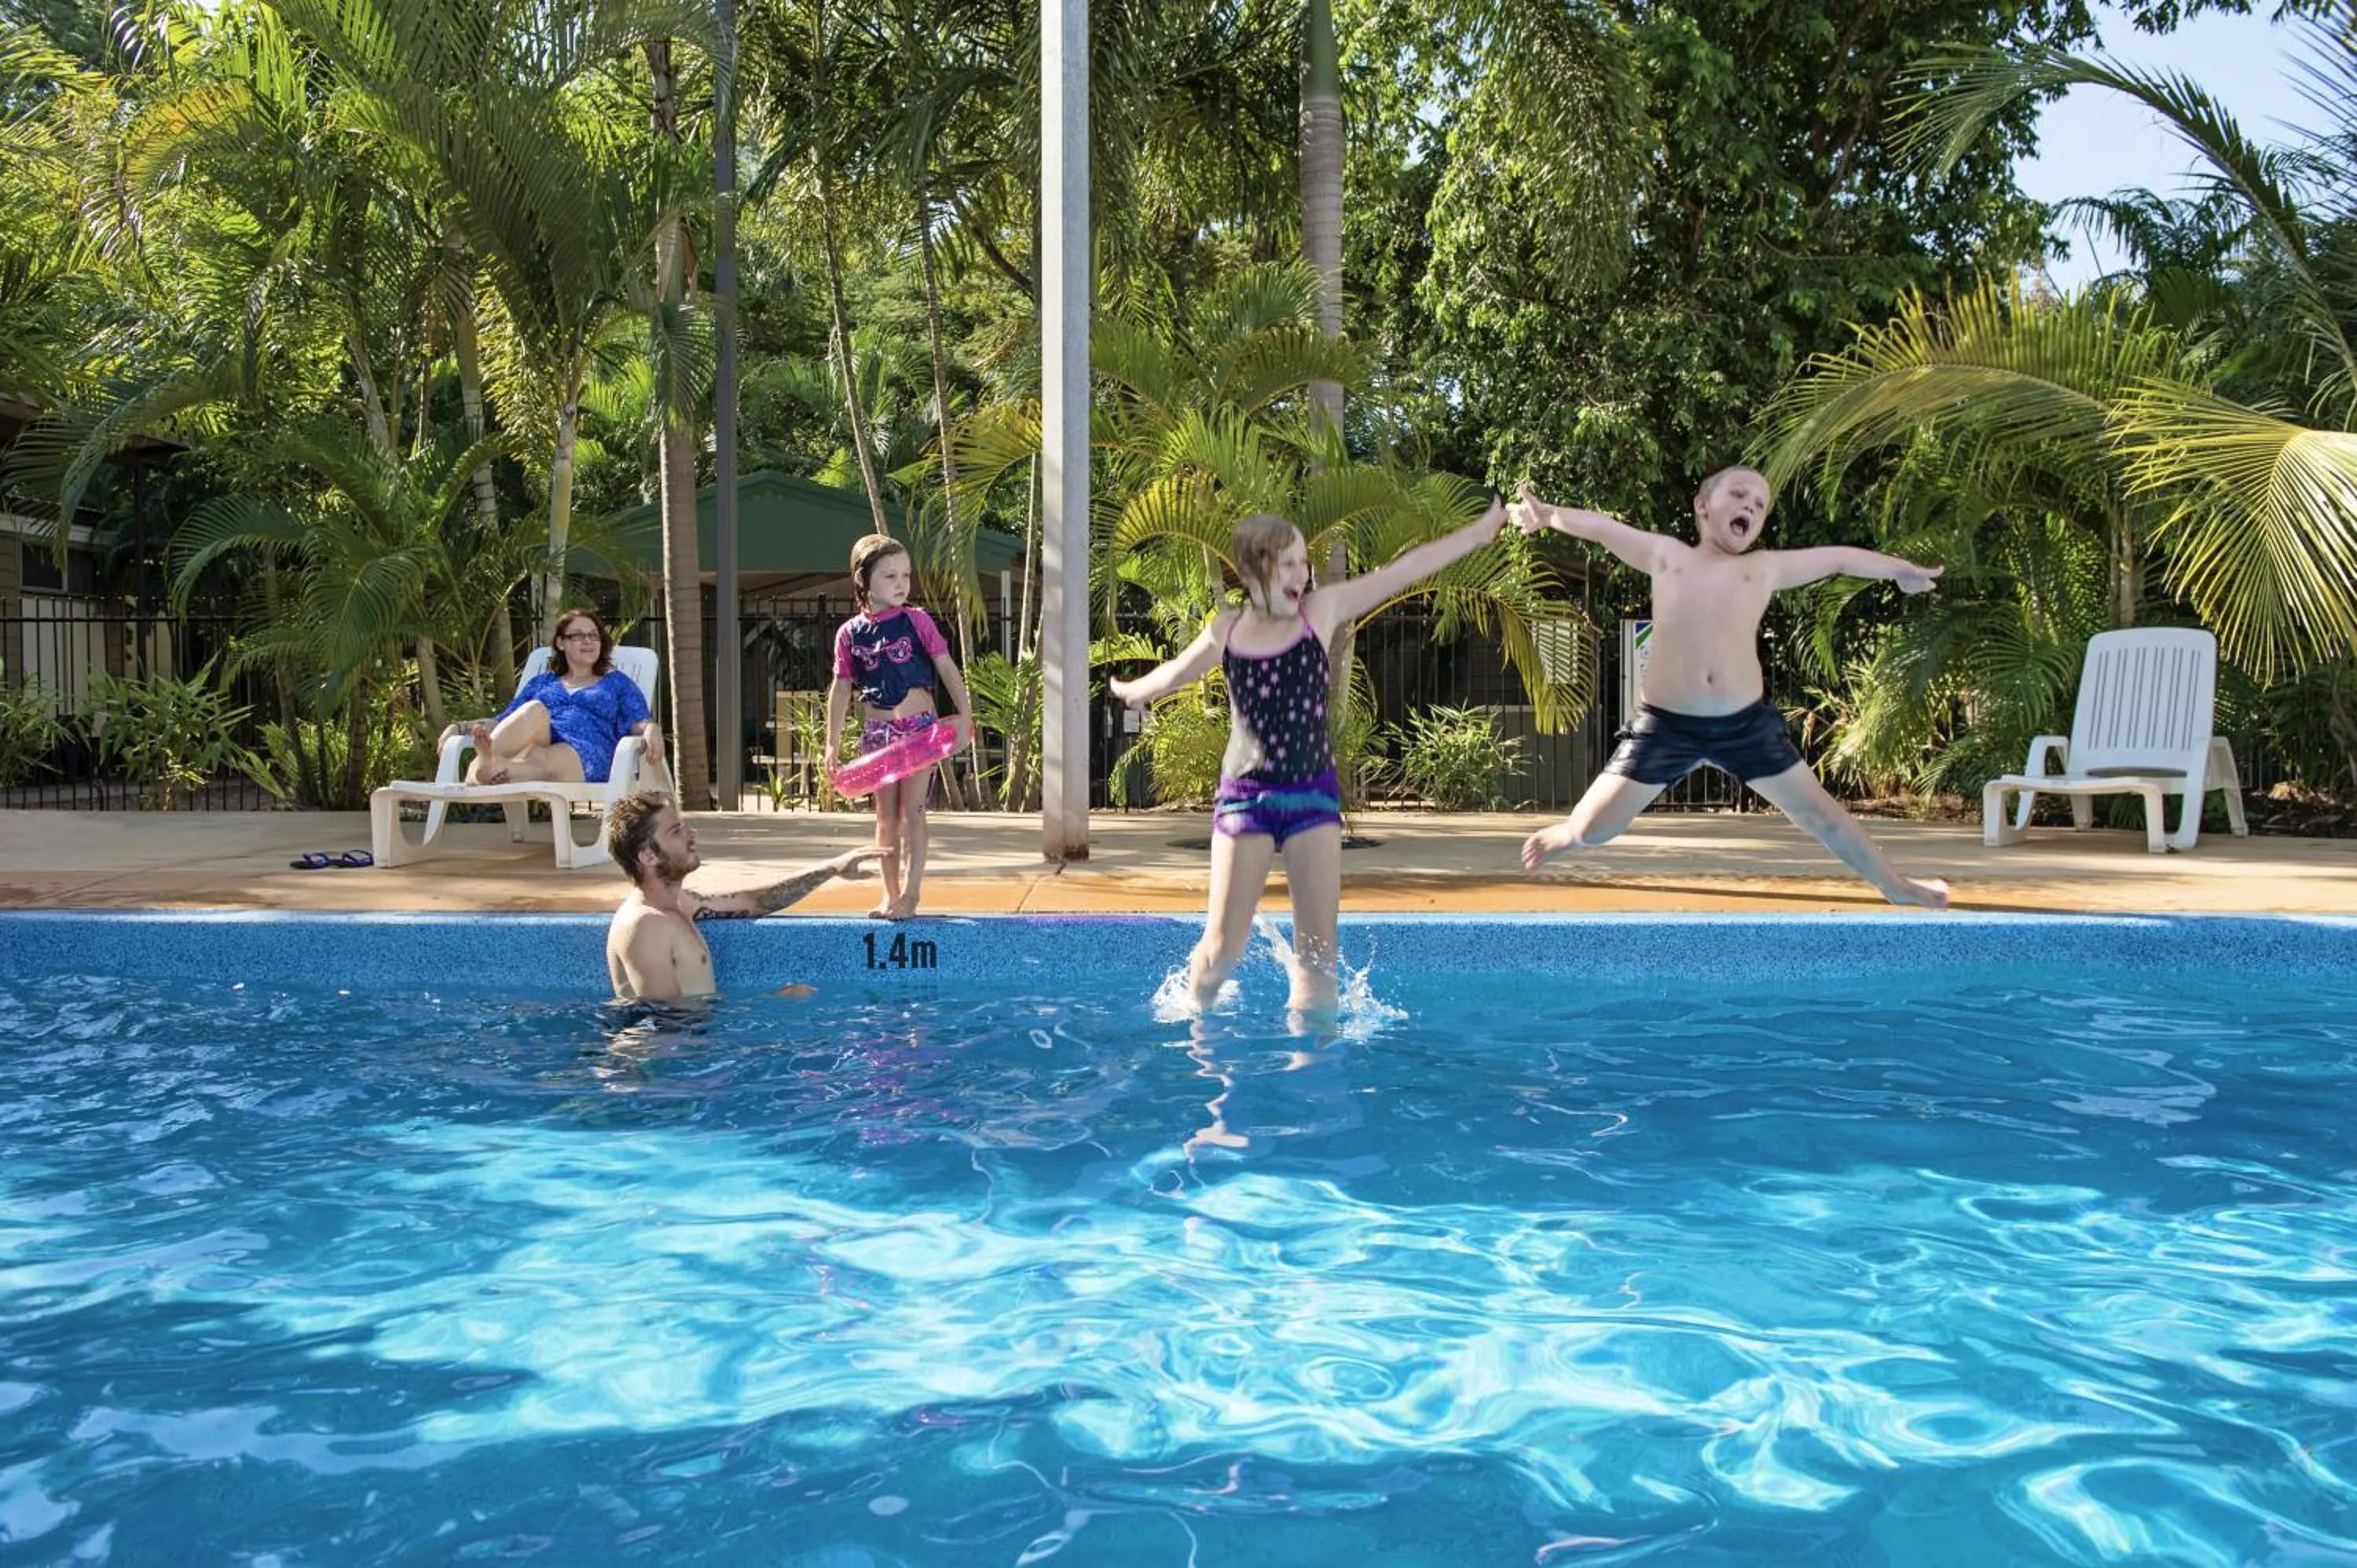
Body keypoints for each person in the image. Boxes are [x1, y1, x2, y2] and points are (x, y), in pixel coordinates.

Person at [1110, 499, 1507, 1017]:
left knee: (1318, 958)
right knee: (1220, 951)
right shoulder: (1226, 631)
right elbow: (1175, 673)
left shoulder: (1318, 614)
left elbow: (1401, 572)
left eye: (1304, 561)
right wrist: (1132, 689)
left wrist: (1476, 534)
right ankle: (1198, 1020)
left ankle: (1311, 1074)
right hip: (1244, 802)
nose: (1304, 572)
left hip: (1313, 797)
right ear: (1254, 571)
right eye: (1291, 563)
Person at [1512, 467, 1950, 907]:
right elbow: (1604, 529)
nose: (1750, 506)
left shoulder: (1762, 568)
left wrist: (1900, 569)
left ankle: (1896, 885)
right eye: (1739, 494)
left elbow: (1837, 558)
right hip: (1665, 728)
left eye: (1759, 505)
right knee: (1594, 829)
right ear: (1702, 506)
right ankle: (1567, 834)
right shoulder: (1668, 555)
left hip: (1745, 727)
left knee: (1823, 816)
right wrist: (1548, 515)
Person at [824, 534, 974, 921]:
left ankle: (911, 894)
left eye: (906, 575)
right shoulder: (850, 634)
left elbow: (946, 667)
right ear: (864, 580)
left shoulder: (916, 620)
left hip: (919, 732)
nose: (901, 583)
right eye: (890, 575)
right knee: (885, 817)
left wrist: (965, 715)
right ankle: (889, 896)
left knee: (914, 813)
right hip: (878, 735)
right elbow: (840, 689)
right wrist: (832, 744)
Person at [604, 791, 880, 1002]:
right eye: (676, 831)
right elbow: (666, 1025)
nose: (691, 832)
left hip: (689, 1060)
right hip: (664, 1072)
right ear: (648, 856)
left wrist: (831, 869)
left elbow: (755, 902)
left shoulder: (680, 904)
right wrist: (767, 1003)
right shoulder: (644, 926)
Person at [455, 607, 661, 786]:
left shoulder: (617, 683)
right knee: (533, 709)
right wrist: (460, 727)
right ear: (561, 643)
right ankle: (488, 762)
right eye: (578, 635)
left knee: (545, 758)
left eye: (594, 635)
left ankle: (487, 768)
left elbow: (638, 721)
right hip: (540, 742)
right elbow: (503, 721)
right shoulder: (542, 682)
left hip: (586, 752)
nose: (588, 640)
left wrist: (651, 728)